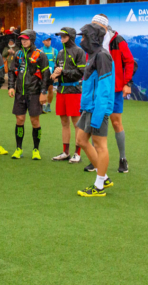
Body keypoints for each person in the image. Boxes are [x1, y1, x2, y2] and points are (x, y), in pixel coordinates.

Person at [89, 15, 134, 174]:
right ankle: (95, 158)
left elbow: (129, 61)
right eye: (92, 24)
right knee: (95, 121)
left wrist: (127, 83)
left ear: (104, 26)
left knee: (115, 123)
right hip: (97, 88)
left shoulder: (117, 40)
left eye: (95, 25)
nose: (93, 27)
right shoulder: (92, 41)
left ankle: (123, 158)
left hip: (113, 89)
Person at [75, 23, 115, 197]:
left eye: (83, 36)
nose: (81, 39)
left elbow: (105, 88)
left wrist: (99, 114)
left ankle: (99, 186)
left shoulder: (102, 56)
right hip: (89, 107)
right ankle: (104, 177)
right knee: (81, 140)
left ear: (92, 38)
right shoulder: (92, 55)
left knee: (100, 145)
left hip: (98, 108)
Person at [7, 29, 50, 160]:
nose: (24, 41)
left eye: (26, 39)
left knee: (34, 121)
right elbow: (11, 71)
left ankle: (36, 150)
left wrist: (43, 92)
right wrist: (10, 87)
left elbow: (46, 75)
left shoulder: (40, 55)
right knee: (19, 120)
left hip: (35, 93)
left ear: (31, 40)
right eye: (22, 39)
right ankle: (18, 148)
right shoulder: (18, 54)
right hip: (20, 93)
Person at [50, 27, 86, 163]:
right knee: (64, 122)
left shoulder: (79, 51)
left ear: (71, 36)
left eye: (64, 36)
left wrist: (63, 72)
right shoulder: (59, 53)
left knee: (77, 123)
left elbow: (81, 72)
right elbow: (57, 70)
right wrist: (54, 75)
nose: (61, 38)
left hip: (74, 92)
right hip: (61, 91)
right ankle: (66, 152)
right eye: (60, 36)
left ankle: (77, 153)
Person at [40, 36, 58, 113]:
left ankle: (48, 105)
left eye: (49, 40)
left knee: (50, 89)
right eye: (46, 40)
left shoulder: (55, 51)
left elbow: (57, 63)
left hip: (51, 73)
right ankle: (43, 105)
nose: (48, 42)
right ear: (43, 42)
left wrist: (56, 74)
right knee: (43, 89)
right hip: (42, 73)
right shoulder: (40, 51)